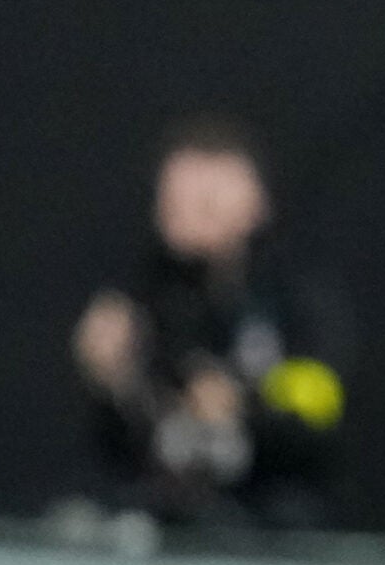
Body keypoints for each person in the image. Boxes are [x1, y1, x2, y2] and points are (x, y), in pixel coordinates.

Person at [70, 116, 353, 534]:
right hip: (161, 510)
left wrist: (243, 400)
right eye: (173, 204)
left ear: (254, 204)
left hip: (270, 512)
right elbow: (122, 442)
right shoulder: (144, 296)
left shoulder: (293, 298)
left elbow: (320, 404)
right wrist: (113, 380)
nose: (186, 217)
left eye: (206, 203)